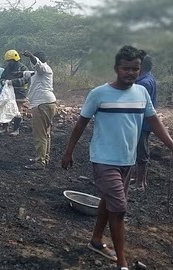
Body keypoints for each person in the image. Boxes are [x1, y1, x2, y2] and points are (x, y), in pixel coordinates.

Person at [61, 45, 173, 270]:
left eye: (135, 69)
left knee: (108, 202)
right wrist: (68, 151)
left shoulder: (141, 93)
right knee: (119, 208)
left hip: (127, 160)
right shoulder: (99, 93)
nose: (131, 73)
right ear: (116, 69)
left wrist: (171, 145)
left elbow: (153, 121)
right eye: (126, 68)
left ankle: (95, 240)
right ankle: (122, 262)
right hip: (103, 158)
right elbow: (81, 122)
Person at [22, 50, 57, 170]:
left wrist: (31, 56)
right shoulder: (39, 72)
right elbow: (29, 73)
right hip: (46, 104)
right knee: (45, 134)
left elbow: (37, 64)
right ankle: (43, 157)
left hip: (42, 104)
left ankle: (40, 161)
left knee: (39, 134)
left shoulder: (44, 68)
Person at [133, 54, 157, 191]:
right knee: (139, 150)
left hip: (141, 123)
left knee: (141, 152)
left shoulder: (144, 83)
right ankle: (138, 180)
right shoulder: (148, 78)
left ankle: (140, 183)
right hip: (144, 123)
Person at [0, 49, 29, 135]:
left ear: (15, 59)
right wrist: (3, 82)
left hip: (20, 92)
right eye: (8, 61)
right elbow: (2, 77)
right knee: (5, 109)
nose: (9, 63)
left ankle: (16, 129)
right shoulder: (7, 68)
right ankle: (5, 127)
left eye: (10, 61)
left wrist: (13, 82)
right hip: (8, 92)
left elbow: (26, 79)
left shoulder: (23, 68)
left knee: (17, 111)